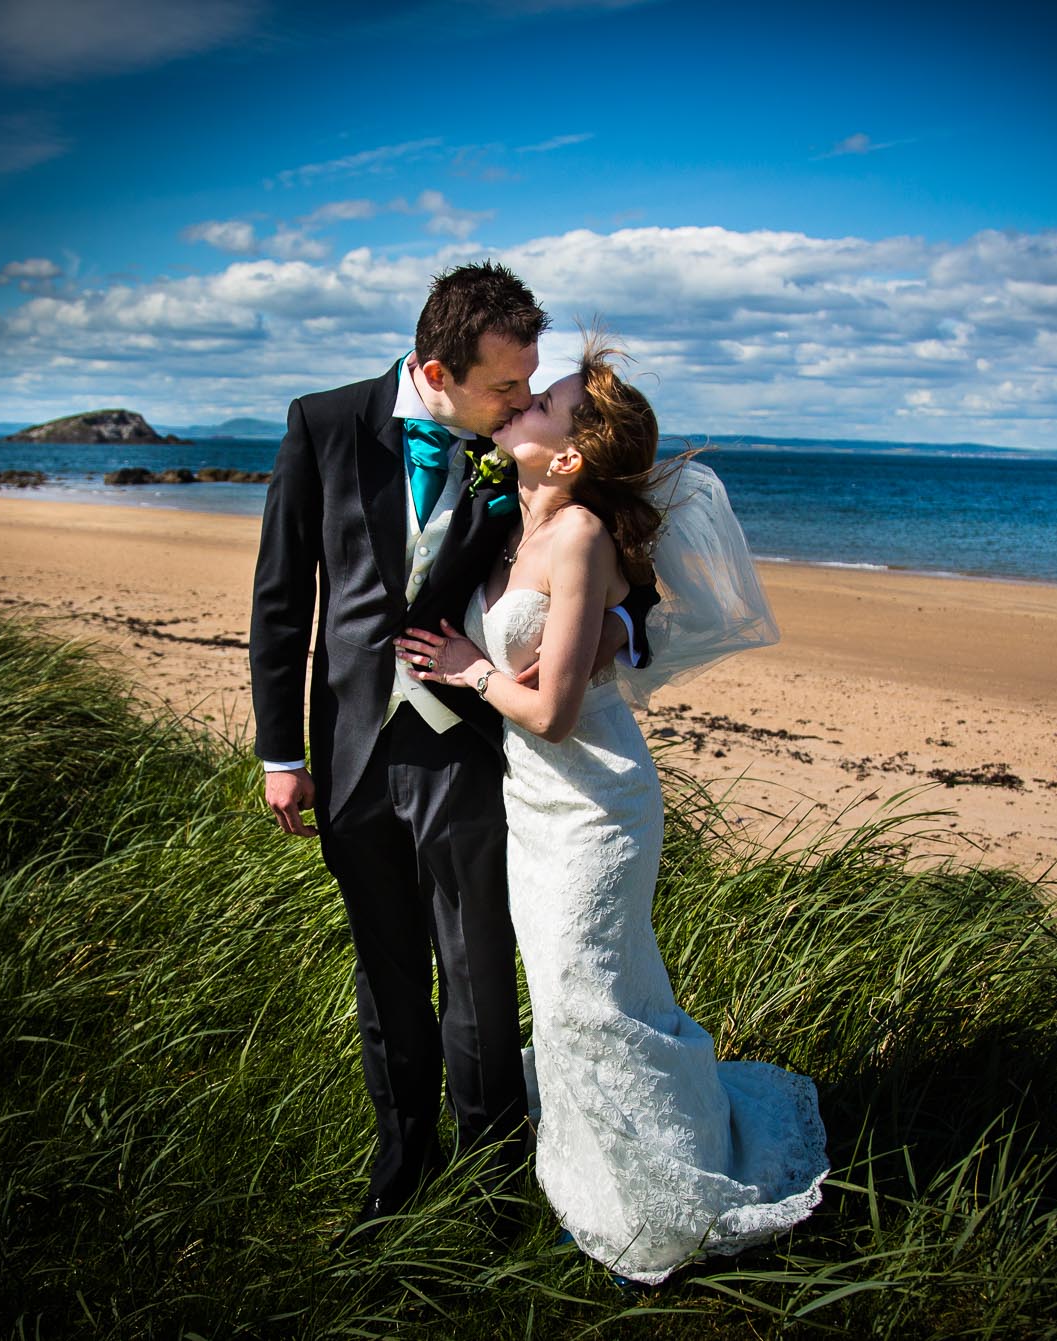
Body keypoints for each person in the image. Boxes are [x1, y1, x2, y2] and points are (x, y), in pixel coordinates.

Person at [394, 336, 828, 1285]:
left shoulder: (582, 533)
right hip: (533, 808)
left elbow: (549, 712)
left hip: (595, 802)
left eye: (537, 400)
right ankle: (596, 1185)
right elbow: (623, 602)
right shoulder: (514, 518)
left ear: (571, 451)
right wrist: (614, 623)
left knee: (592, 1000)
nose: (518, 403)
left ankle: (662, 1203)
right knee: (568, 1002)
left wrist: (472, 670)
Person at [249, 262, 650, 1244]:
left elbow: (609, 561)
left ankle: (496, 1179)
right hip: (347, 750)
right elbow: (280, 599)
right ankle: (399, 1161)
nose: (522, 401)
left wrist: (618, 635)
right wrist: (278, 752)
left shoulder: (522, 455)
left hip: (468, 750)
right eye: (505, 386)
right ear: (438, 368)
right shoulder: (323, 425)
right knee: (387, 973)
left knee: (477, 972)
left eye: (528, 386)